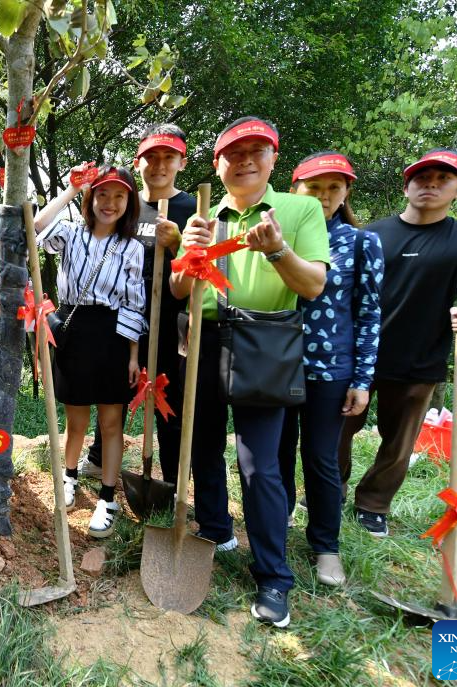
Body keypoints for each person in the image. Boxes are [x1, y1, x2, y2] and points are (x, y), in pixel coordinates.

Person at [171, 117, 329, 627]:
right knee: (203, 446)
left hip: (265, 340)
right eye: (233, 153)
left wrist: (278, 250)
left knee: (260, 463)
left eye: (256, 151)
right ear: (217, 164)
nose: (244, 161)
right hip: (204, 338)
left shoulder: (300, 209)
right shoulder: (203, 216)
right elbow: (177, 290)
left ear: (273, 159)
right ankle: (216, 530)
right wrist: (189, 255)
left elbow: (312, 287)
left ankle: (273, 577)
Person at [337, 148, 457, 536]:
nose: (432, 185)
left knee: (399, 439)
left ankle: (373, 504)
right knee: (337, 428)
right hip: (359, 354)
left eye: (444, 179)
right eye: (424, 178)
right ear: (407, 185)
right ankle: (330, 489)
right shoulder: (373, 234)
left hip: (421, 356)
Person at [276, 152, 384, 586]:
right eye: (314, 188)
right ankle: (277, 524)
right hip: (276, 364)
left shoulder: (361, 243)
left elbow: (369, 313)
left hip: (330, 368)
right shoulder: (278, 237)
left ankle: (326, 546)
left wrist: (362, 379)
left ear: (346, 193)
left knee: (320, 458)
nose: (324, 197)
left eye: (334, 188)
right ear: (295, 190)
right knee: (276, 452)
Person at [79, 124, 196, 484]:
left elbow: (206, 270)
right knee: (113, 389)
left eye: (168, 157)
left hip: (171, 320)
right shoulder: (126, 205)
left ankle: (173, 478)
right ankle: (99, 457)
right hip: (122, 318)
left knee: (169, 398)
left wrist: (177, 244)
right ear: (138, 160)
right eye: (151, 157)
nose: (159, 165)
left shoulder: (192, 208)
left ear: (182, 162)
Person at [35, 166, 146, 539]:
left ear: (129, 202)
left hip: (113, 335)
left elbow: (134, 303)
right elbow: (35, 227)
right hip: (72, 331)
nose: (109, 203)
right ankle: (68, 478)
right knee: (76, 419)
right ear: (91, 199)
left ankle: (107, 497)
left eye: (119, 196)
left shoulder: (132, 248)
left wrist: (133, 356)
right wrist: (71, 189)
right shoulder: (71, 234)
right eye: (102, 195)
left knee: (111, 423)